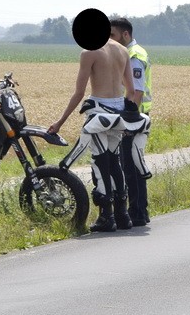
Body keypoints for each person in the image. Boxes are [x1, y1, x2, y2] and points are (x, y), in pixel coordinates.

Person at [49, 36, 138, 232]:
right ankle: (123, 214)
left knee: (101, 163)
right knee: (115, 160)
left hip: (98, 112)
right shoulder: (122, 50)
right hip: (119, 111)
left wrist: (60, 122)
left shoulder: (89, 52)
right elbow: (131, 91)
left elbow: (79, 93)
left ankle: (107, 216)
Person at [109, 18, 153, 227]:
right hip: (136, 118)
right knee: (134, 165)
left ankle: (137, 213)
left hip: (134, 119)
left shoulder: (133, 55)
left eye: (113, 36)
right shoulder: (131, 53)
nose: (110, 40)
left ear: (125, 35)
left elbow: (136, 91)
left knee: (132, 168)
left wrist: (129, 122)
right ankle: (140, 212)